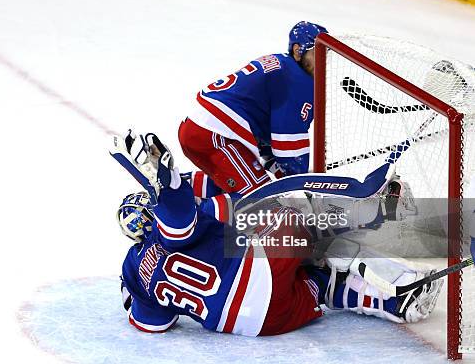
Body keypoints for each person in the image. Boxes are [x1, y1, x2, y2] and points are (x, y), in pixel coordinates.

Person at [113, 131, 442, 336]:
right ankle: (373, 212)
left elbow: (151, 324)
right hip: (260, 271)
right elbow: (180, 219)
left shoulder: (134, 271)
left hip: (255, 324)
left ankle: (395, 301)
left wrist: (134, 294)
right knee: (290, 216)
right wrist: (169, 184)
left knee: (316, 282)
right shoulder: (169, 230)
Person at [178, 21, 327, 196]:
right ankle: (175, 207)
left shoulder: (283, 66)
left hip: (200, 129)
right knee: (262, 200)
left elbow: (270, 145)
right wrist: (302, 184)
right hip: (217, 133)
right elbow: (288, 148)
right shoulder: (299, 80)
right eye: (318, 53)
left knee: (234, 182)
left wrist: (289, 176)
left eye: (327, 55)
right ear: (297, 51)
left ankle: (173, 188)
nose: (324, 61)